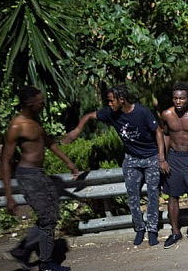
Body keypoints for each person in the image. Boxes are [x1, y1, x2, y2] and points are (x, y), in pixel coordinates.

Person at [63, 85, 167, 246]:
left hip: (151, 157)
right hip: (131, 159)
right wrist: (77, 130)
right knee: (133, 195)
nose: (109, 104)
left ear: (122, 100)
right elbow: (89, 116)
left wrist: (161, 158)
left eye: (111, 101)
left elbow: (158, 132)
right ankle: (139, 228)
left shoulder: (142, 112)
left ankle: (152, 230)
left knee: (153, 194)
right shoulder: (110, 113)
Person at [2, 86, 78, 271]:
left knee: (52, 213)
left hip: (39, 173)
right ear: (30, 103)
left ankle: (22, 250)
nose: (43, 104)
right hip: (27, 175)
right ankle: (45, 263)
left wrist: (68, 162)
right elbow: (6, 160)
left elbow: (49, 142)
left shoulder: (35, 120)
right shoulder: (17, 126)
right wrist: (9, 196)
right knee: (47, 218)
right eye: (40, 101)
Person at [159, 84, 188, 249]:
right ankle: (175, 232)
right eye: (175, 98)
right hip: (174, 158)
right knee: (173, 196)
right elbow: (165, 135)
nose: (178, 101)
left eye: (182, 98)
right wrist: (163, 159)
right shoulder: (166, 115)